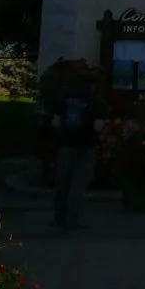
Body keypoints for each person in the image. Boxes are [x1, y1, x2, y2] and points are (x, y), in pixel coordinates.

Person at [50, 62, 102, 230]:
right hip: (85, 145)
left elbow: (56, 122)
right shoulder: (94, 100)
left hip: (65, 144)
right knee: (78, 183)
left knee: (62, 182)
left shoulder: (64, 96)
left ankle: (59, 216)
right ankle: (72, 219)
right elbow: (98, 126)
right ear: (92, 84)